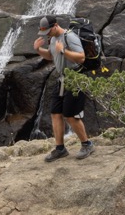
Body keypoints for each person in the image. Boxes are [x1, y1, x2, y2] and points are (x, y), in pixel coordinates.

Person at [33, 15, 94, 162]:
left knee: (70, 115)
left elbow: (81, 57)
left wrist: (63, 51)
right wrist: (38, 50)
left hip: (75, 78)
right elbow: (51, 55)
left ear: (55, 26)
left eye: (48, 31)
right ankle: (60, 149)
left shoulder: (70, 37)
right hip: (62, 79)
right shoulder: (53, 39)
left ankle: (87, 144)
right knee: (55, 113)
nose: (46, 34)